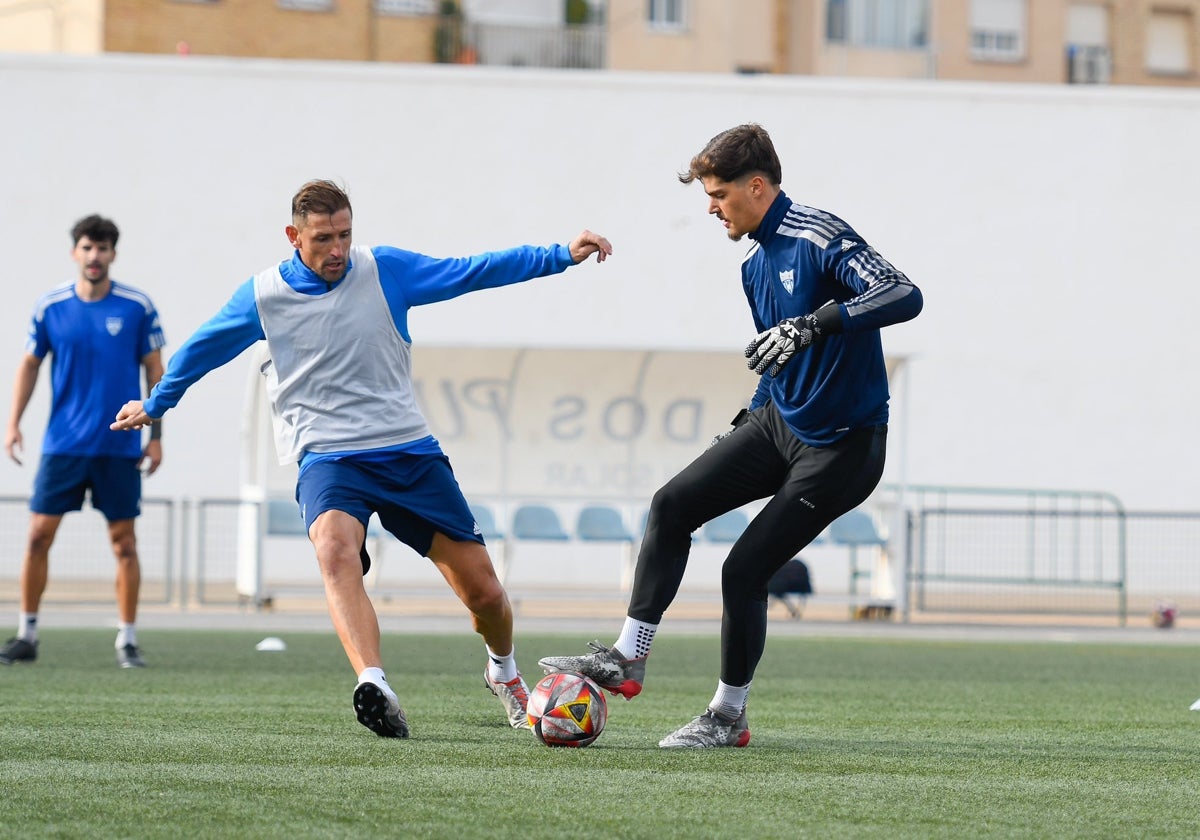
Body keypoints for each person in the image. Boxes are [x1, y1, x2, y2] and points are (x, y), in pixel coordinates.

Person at [111, 179, 612, 738]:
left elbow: (472, 270)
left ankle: (503, 671)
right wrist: (156, 405)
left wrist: (559, 256)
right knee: (333, 549)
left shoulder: (384, 270)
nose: (337, 250)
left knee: (486, 595)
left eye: (345, 235)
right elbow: (203, 348)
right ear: (293, 237)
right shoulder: (263, 296)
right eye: (323, 238)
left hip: (408, 453)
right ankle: (374, 682)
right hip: (328, 457)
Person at [538, 123, 923, 747]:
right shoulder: (751, 264)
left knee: (743, 570)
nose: (711, 208)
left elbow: (905, 294)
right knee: (672, 504)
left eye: (718, 194)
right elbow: (777, 356)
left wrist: (815, 323)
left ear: (757, 185)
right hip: (778, 424)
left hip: (844, 447)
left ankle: (727, 715)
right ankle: (627, 658)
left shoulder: (819, 236)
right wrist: (749, 420)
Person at [1, 215, 166, 669]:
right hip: (63, 446)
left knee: (124, 543)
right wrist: (13, 423)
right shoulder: (49, 306)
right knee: (37, 537)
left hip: (119, 444)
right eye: (88, 248)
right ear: (75, 252)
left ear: (114, 254)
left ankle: (127, 640)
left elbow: (157, 373)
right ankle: (27, 634)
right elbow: (30, 365)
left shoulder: (137, 307)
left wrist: (156, 437)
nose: (95, 256)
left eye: (104, 248)